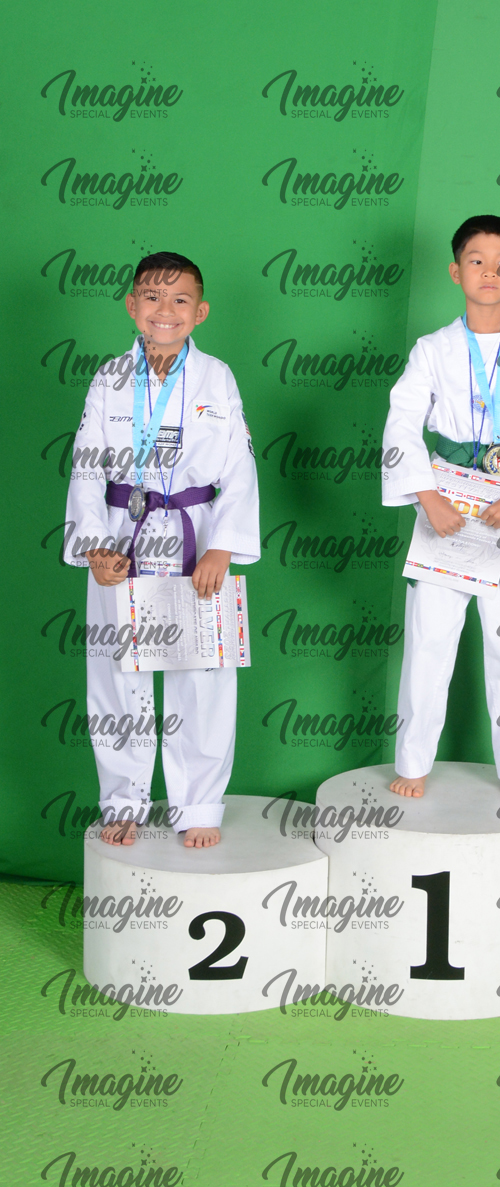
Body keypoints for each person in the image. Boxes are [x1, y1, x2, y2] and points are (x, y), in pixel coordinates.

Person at [64, 251, 259, 849]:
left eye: (180, 300)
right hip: (121, 531)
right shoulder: (109, 378)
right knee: (117, 673)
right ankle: (124, 801)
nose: (165, 309)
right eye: (152, 296)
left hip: (196, 533)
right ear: (132, 305)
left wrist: (223, 548)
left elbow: (240, 467)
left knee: (202, 672)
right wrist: (95, 549)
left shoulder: (217, 377)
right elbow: (87, 467)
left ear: (200, 311)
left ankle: (198, 804)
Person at [382, 214, 500, 800]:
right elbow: (402, 424)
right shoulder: (432, 349)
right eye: (476, 260)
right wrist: (427, 498)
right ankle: (413, 761)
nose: (489, 272)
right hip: (444, 508)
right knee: (428, 643)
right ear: (455, 271)